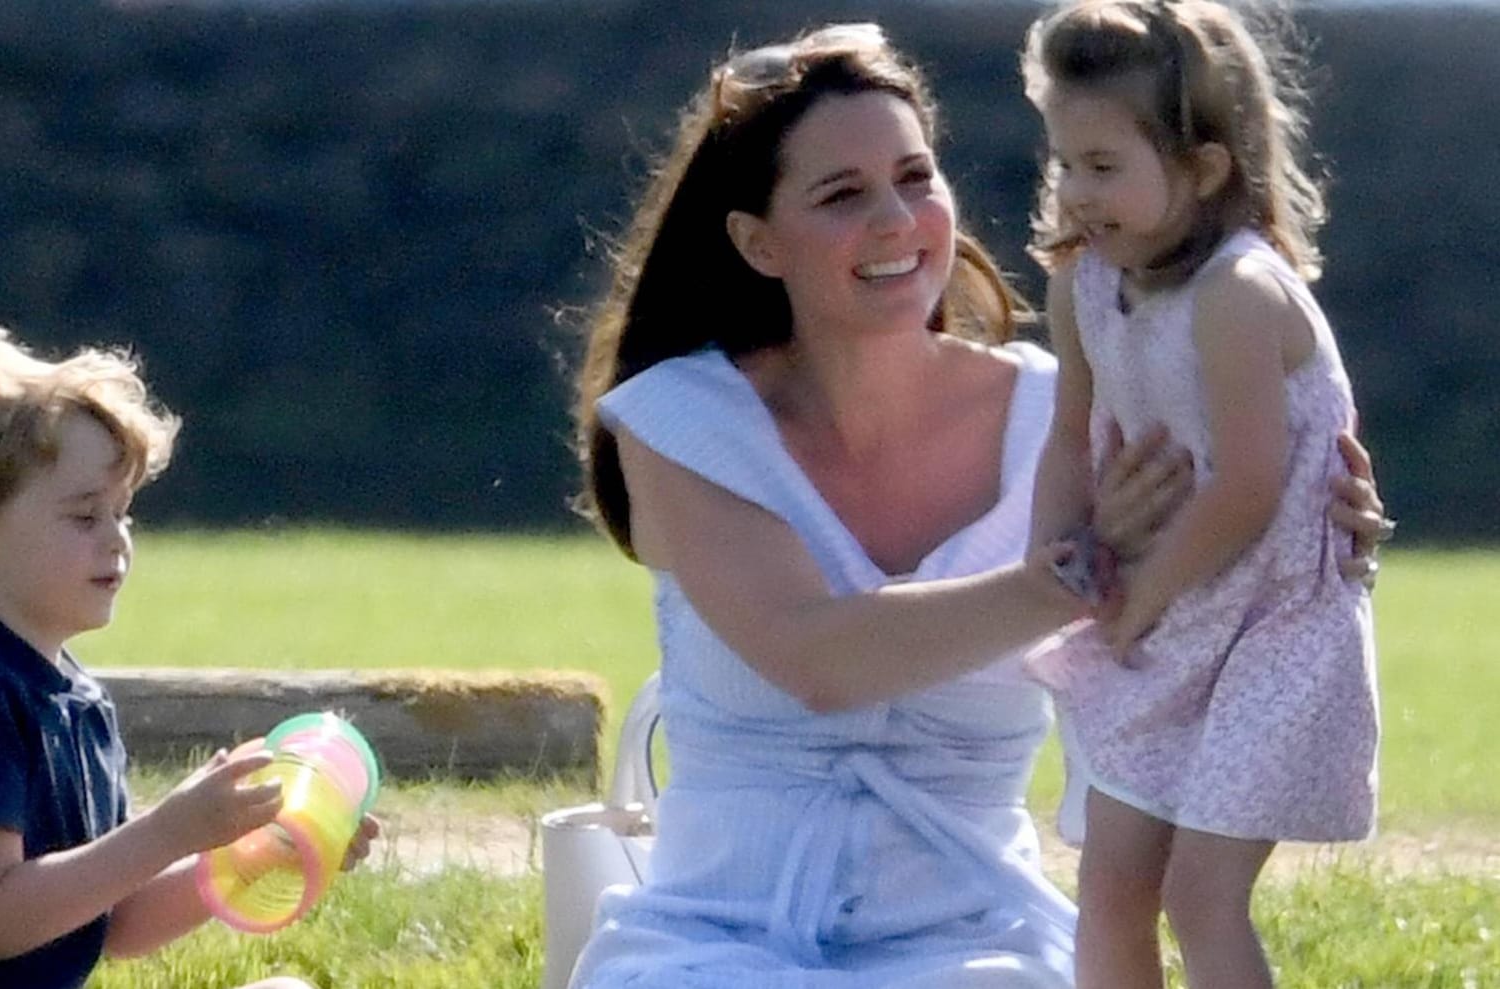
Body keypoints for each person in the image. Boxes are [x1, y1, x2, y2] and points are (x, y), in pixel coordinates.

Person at [566, 22, 1391, 989]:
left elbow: (1228, 539)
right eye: (843, 195)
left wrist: (1319, 528)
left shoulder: (1063, 410)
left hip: (974, 943)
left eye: (917, 179)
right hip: (714, 940)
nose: (897, 220)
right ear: (756, 242)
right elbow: (816, 656)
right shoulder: (680, 418)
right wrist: (1071, 578)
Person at [0, 326, 378, 989]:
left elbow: (118, 920)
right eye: (85, 517)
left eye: (124, 513)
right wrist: (168, 830)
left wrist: (253, 849)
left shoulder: (79, 703)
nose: (117, 539)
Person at [1018, 3, 1379, 987]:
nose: (1074, 192)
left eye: (1103, 167)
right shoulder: (1082, 284)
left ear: (1205, 170)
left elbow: (1250, 489)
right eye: (1062, 163)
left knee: (1202, 892)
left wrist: (1140, 600)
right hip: (1166, 618)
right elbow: (1068, 437)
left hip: (1272, 622)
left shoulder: (1236, 292)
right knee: (1111, 886)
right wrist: (1052, 562)